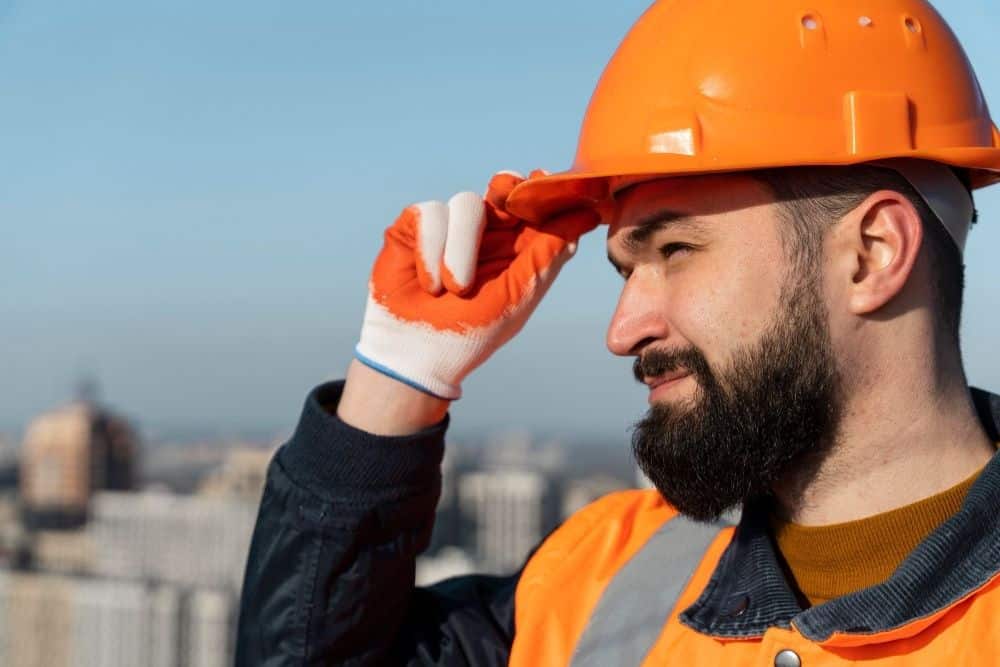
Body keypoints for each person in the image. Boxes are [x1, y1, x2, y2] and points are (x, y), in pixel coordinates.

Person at [235, 1, 1000, 664]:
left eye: (676, 250)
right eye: (624, 269)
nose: (622, 329)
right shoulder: (607, 580)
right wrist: (399, 373)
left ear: (872, 254)